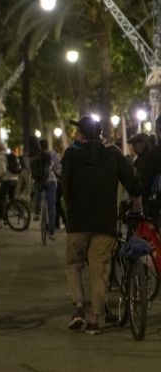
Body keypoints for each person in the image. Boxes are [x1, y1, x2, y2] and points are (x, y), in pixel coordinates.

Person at [62, 116, 141, 335]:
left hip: (78, 221)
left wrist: (69, 208)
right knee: (100, 270)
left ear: (81, 135)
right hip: (105, 222)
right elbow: (133, 184)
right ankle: (96, 319)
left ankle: (79, 308)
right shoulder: (114, 156)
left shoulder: (71, 155)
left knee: (73, 264)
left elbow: (65, 186)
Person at [31, 139, 61, 240]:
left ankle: (37, 212)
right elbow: (58, 169)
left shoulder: (37, 154)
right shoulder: (54, 154)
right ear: (48, 145)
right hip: (51, 181)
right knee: (51, 207)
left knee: (37, 193)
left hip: (39, 181)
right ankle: (52, 232)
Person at [0, 145, 21, 226]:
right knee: (11, 199)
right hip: (15, 179)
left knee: (1, 199)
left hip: (7, 180)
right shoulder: (11, 155)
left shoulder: (0, 156)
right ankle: (19, 212)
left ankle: (0, 220)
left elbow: (2, 170)